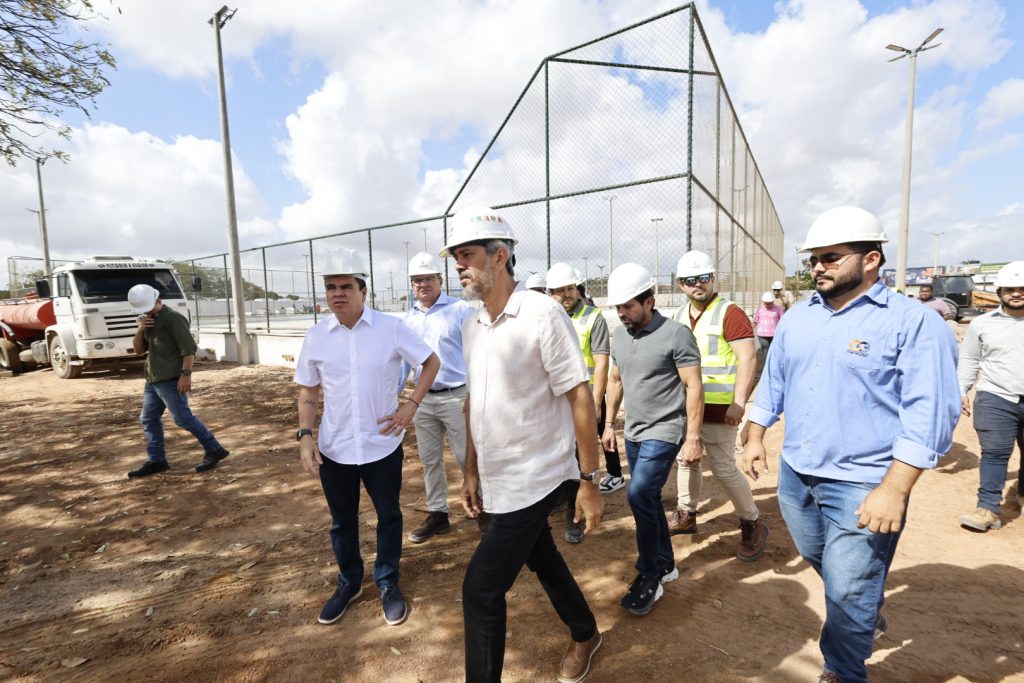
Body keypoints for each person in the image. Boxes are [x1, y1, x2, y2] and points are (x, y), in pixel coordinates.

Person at [742, 206, 960, 683]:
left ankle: (842, 669)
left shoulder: (914, 323)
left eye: (831, 257)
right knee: (825, 562)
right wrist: (756, 435)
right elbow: (774, 381)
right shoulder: (798, 318)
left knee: (846, 589)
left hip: (864, 482)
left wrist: (894, 490)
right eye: (813, 259)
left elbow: (930, 413)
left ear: (871, 259)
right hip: (797, 474)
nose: (818, 267)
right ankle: (863, 605)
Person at [444, 206, 604, 683]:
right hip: (495, 477)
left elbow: (579, 396)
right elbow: (475, 403)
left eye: (467, 255)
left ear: (500, 256)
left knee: (480, 589)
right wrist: (471, 470)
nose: (459, 265)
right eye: (456, 257)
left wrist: (589, 480)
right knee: (543, 557)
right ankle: (585, 632)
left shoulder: (542, 313)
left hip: (537, 476)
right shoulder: (472, 326)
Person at [294, 248, 440, 627]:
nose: (337, 294)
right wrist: (305, 435)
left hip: (382, 445)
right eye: (331, 287)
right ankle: (350, 582)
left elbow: (430, 362)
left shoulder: (390, 328)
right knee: (342, 522)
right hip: (335, 448)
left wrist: (411, 405)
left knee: (389, 515)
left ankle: (387, 581)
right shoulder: (316, 336)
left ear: (363, 291)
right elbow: (309, 389)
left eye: (345, 286)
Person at [603, 263, 703, 615]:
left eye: (628, 306)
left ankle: (649, 574)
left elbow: (694, 386)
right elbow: (615, 381)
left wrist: (693, 437)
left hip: (666, 430)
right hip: (634, 431)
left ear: (649, 301)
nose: (622, 313)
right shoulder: (619, 335)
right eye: (618, 307)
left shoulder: (676, 335)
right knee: (649, 498)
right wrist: (608, 425)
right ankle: (666, 562)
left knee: (639, 493)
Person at [668, 251, 768, 561]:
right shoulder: (678, 315)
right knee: (688, 460)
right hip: (688, 407)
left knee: (723, 469)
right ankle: (686, 513)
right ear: (680, 285)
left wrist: (739, 402)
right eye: (689, 280)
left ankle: (752, 522)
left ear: (712, 279)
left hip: (721, 407)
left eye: (702, 278)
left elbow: (747, 358)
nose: (697, 284)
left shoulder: (730, 312)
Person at [399, 251, 476, 543]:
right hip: (423, 400)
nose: (423, 284)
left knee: (467, 457)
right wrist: (396, 396)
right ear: (411, 284)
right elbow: (404, 363)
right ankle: (438, 514)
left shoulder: (460, 310)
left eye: (428, 278)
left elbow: (476, 352)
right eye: (417, 280)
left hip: (457, 397)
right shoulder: (408, 319)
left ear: (440, 280)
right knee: (430, 460)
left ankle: (484, 510)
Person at [546, 262, 625, 545]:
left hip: (583, 400)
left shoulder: (593, 317)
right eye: (559, 290)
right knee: (558, 455)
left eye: (570, 288)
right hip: (554, 402)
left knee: (581, 459)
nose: (566, 294)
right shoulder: (546, 317)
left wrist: (595, 403)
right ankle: (559, 500)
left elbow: (601, 362)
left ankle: (574, 517)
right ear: (550, 293)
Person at [127, 284, 229, 478]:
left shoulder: (173, 319)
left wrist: (186, 375)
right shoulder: (147, 321)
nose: (146, 312)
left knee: (183, 418)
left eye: (148, 307)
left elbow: (188, 349)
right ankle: (156, 460)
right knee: (148, 418)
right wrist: (140, 330)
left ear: (158, 300)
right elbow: (139, 351)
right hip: (153, 379)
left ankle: (215, 449)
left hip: (170, 380)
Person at [957, 261, 1024, 531]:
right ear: (999, 293)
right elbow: (970, 359)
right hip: (996, 396)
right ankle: (987, 509)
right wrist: (962, 389)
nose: (1016, 293)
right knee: (994, 452)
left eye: (1022, 289)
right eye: (1010, 289)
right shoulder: (981, 324)